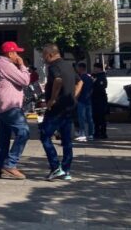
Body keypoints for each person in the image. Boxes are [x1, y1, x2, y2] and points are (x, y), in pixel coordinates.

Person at [39, 44, 83, 181]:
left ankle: (55, 167)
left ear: (49, 54)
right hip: (69, 107)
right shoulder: (68, 65)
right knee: (66, 140)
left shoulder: (53, 67)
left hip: (56, 109)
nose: (43, 59)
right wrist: (73, 96)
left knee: (45, 135)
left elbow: (58, 80)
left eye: (43, 56)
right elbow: (80, 82)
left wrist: (52, 99)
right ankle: (66, 169)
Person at [0, 41, 30, 180]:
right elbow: (24, 80)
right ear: (10, 53)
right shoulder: (6, 65)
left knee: (4, 137)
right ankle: (10, 164)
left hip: (0, 106)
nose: (18, 55)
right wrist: (22, 66)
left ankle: (1, 166)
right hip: (9, 106)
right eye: (16, 52)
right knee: (23, 132)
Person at [75, 62, 94, 142]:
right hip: (88, 100)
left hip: (81, 100)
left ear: (80, 68)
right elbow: (92, 89)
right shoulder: (90, 78)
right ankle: (90, 134)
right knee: (89, 118)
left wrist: (75, 98)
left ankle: (82, 134)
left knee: (81, 118)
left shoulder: (80, 78)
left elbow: (78, 89)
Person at [91, 63, 109, 139]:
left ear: (99, 69)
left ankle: (103, 133)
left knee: (101, 117)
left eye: (95, 68)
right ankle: (97, 132)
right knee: (95, 117)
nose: (94, 69)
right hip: (95, 99)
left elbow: (102, 87)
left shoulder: (102, 76)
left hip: (100, 99)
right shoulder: (94, 76)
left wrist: (94, 82)